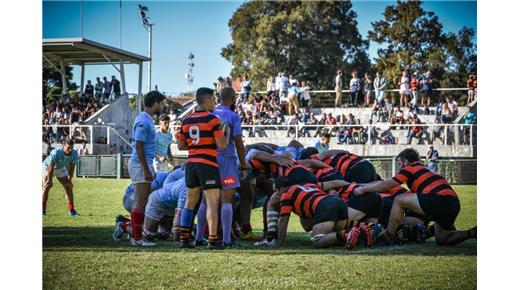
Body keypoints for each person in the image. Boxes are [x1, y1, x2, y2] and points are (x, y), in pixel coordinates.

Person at [353, 148, 477, 246]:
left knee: (399, 200)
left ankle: (388, 237)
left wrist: (363, 189)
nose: (400, 167)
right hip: (453, 203)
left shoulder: (410, 168)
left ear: (406, 162)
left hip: (439, 200)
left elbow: (385, 186)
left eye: (400, 163)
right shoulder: (424, 168)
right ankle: (472, 232)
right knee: (443, 239)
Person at [176, 87, 229, 249]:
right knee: (212, 201)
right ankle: (213, 240)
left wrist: (196, 145)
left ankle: (184, 238)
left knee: (190, 201)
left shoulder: (186, 121)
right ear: (205, 100)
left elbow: (181, 145)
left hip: (191, 164)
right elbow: (222, 146)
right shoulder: (213, 120)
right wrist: (225, 132)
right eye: (213, 99)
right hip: (207, 164)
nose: (215, 102)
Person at [269, 178, 360, 249]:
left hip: (325, 204)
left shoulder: (286, 194)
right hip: (339, 201)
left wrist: (279, 243)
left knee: (317, 240)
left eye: (276, 191)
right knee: (336, 233)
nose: (276, 195)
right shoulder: (308, 185)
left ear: (281, 188)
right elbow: (307, 227)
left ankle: (347, 234)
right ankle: (362, 230)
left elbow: (283, 221)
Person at [210, 87, 250, 247]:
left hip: (209, 161)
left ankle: (203, 236)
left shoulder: (210, 113)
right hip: (226, 160)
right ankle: (226, 239)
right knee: (227, 199)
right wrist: (244, 165)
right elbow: (239, 143)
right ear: (233, 98)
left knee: (209, 201)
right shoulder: (233, 116)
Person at [127, 91, 166, 246]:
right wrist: (146, 169)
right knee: (140, 202)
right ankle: (137, 239)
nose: (163, 106)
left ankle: (135, 236)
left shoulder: (146, 119)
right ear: (155, 103)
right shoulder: (143, 120)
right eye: (161, 103)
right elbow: (139, 146)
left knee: (141, 201)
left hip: (143, 163)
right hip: (140, 164)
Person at [42, 138, 79, 216]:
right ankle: (42, 210)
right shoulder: (56, 152)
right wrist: (49, 180)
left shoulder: (74, 153)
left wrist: (69, 180)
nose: (70, 150)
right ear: (63, 146)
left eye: (71, 148)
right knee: (46, 187)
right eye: (68, 148)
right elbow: (51, 166)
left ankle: (72, 211)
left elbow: (72, 167)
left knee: (68, 187)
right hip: (47, 166)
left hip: (60, 167)